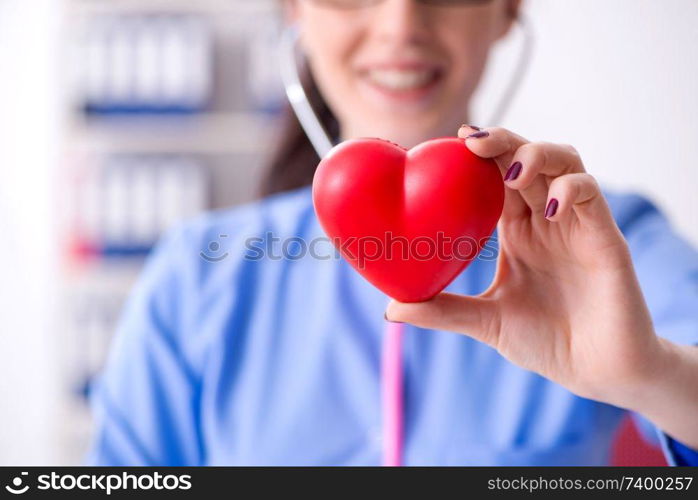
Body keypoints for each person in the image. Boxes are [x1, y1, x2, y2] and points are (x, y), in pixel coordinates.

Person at [85, 0, 698, 465]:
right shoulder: (198, 269)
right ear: (293, 10)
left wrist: (649, 373)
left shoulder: (599, 241)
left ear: (508, 10)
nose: (401, 24)